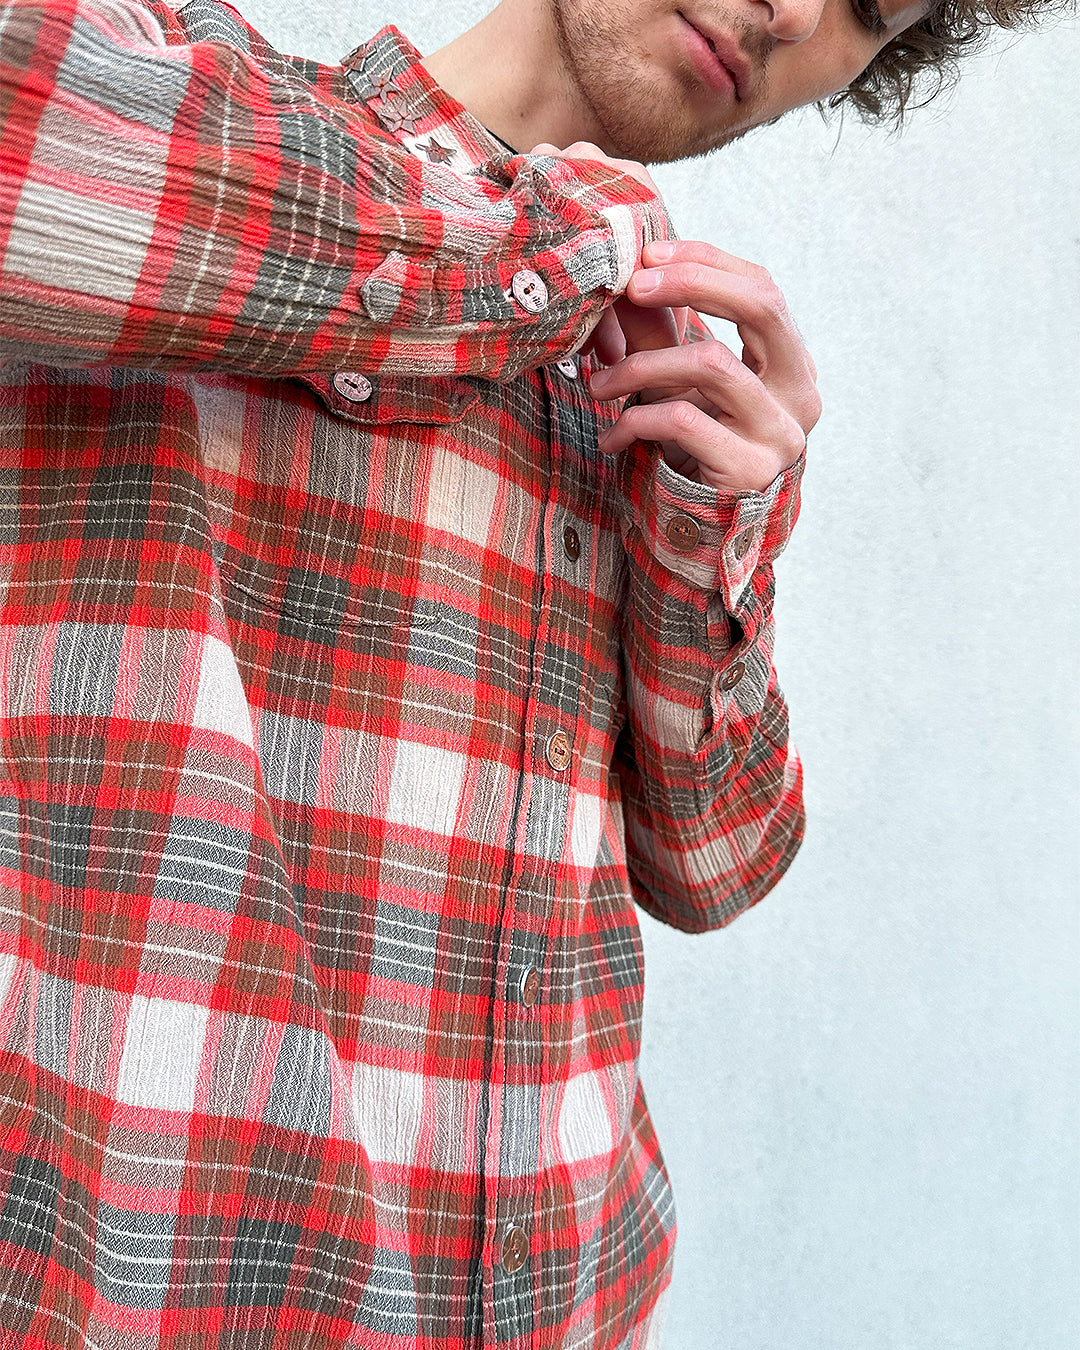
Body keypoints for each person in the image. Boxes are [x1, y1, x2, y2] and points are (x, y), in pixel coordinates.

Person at [0, 0, 1063, 1347]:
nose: (794, 14)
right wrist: (560, 250)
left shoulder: (654, 370)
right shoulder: (182, 90)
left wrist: (718, 526)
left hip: (578, 1294)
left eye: (868, 16)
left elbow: (719, 864)